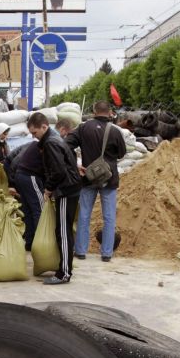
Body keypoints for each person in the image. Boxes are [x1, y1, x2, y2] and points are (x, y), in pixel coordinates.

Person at [67, 101, 127, 262]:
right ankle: (106, 253)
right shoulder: (115, 131)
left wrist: (76, 165)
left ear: (94, 111)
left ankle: (80, 251)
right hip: (109, 178)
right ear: (109, 112)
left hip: (88, 177)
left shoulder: (83, 128)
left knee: (85, 214)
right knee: (109, 216)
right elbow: (122, 153)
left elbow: (66, 145)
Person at [28, 112, 81, 285]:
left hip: (65, 190)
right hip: (69, 188)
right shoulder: (55, 139)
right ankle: (64, 268)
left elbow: (58, 171)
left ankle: (64, 273)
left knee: (63, 232)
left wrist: (48, 188)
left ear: (44, 127)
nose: (34, 137)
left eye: (35, 133)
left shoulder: (51, 142)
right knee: (62, 230)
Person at [7, 132, 45, 251]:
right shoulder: (38, 148)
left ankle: (29, 242)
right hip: (28, 176)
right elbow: (12, 162)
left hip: (21, 177)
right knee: (39, 209)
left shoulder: (30, 146)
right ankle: (41, 243)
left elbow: (9, 160)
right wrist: (11, 184)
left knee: (27, 210)